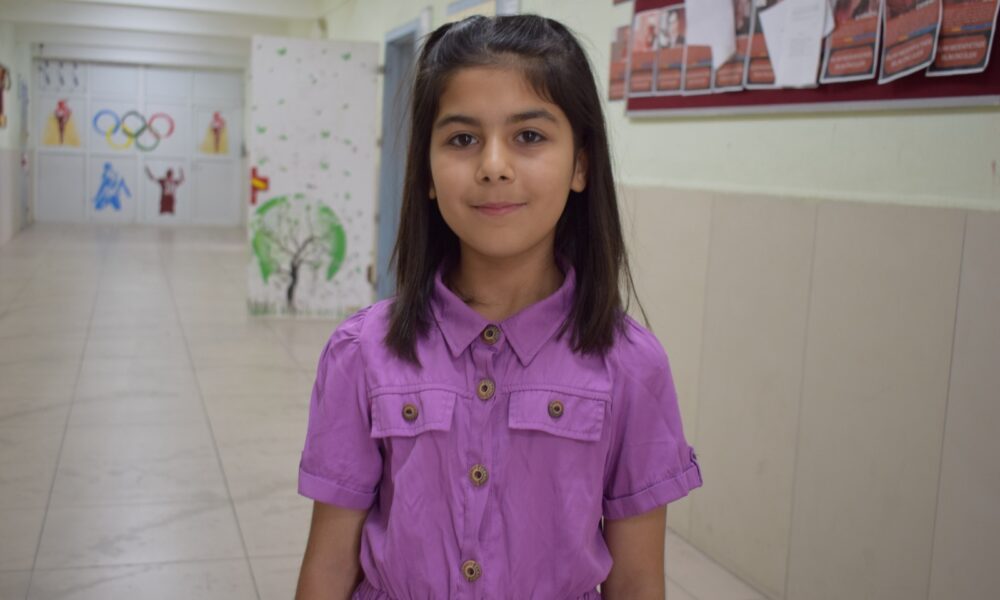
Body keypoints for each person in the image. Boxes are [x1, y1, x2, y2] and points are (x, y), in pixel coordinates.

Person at [295, 15, 702, 600]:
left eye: (529, 136)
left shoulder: (633, 366)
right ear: (427, 173)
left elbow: (637, 581)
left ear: (581, 164)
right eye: (462, 139)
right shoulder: (362, 353)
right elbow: (330, 566)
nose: (493, 165)